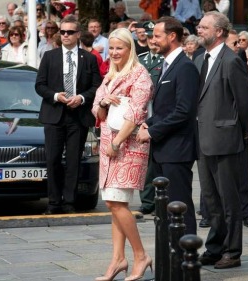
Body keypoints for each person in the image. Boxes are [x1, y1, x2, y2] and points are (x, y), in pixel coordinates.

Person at [91, 27, 154, 281]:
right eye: (112, 48)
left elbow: (136, 114)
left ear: (130, 49)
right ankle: (118, 259)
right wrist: (105, 102)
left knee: (116, 203)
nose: (115, 52)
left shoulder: (140, 75)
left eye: (120, 48)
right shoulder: (110, 75)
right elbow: (96, 110)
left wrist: (116, 143)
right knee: (115, 204)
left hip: (126, 147)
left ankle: (140, 255)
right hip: (109, 147)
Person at [193, 11, 248, 270]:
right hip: (203, 140)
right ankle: (215, 247)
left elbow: (245, 100)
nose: (199, 29)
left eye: (204, 27)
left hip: (226, 139)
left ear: (219, 31)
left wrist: (246, 131)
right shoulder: (198, 59)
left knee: (229, 200)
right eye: (199, 26)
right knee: (211, 200)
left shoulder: (232, 61)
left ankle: (232, 250)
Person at [136, 16, 199, 235]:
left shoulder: (185, 67)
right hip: (164, 149)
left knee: (179, 205)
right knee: (167, 208)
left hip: (177, 150)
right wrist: (147, 124)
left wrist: (152, 131)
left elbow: (183, 111)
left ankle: (186, 258)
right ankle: (173, 256)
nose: (152, 40)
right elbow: (165, 109)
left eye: (157, 36)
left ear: (172, 36)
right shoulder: (168, 65)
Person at [35, 15, 102, 215]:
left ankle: (70, 202)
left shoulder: (89, 58)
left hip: (78, 116)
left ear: (78, 34)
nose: (65, 35)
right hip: (54, 114)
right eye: (62, 32)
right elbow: (40, 85)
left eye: (69, 32)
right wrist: (56, 96)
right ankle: (54, 202)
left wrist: (81, 98)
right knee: (53, 159)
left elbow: (97, 85)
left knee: (74, 160)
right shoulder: (49, 56)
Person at [136, 23, 163, 216]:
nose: (152, 41)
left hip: (159, 113)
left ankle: (162, 199)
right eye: (149, 37)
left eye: (155, 37)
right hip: (144, 114)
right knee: (144, 161)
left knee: (159, 160)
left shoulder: (166, 60)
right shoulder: (140, 60)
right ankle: (147, 201)